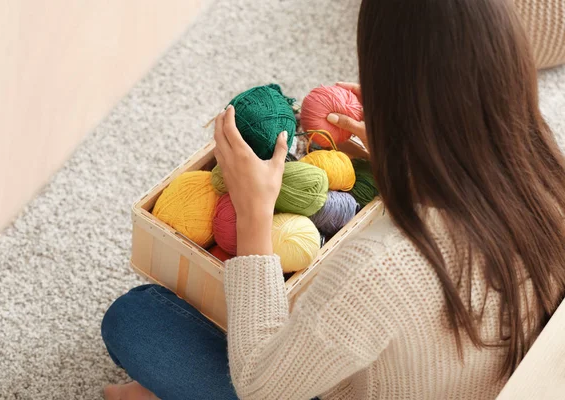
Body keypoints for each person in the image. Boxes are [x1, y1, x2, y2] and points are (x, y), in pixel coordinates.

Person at [100, 0, 565, 399]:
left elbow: (262, 385)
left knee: (137, 318)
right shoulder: (545, 168)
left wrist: (255, 215)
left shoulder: (383, 265)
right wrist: (400, 151)